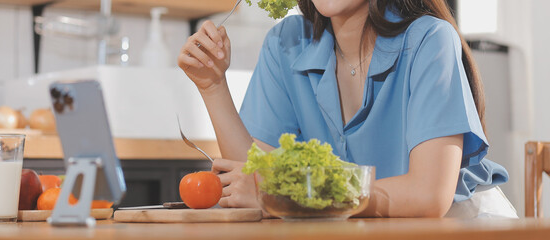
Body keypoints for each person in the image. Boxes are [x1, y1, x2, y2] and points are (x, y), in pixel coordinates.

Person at [177, 0, 516, 218]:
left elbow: (428, 196)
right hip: (354, 226)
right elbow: (253, 176)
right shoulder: (287, 42)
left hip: (458, 225)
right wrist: (213, 86)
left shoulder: (430, 39)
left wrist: (282, 194)